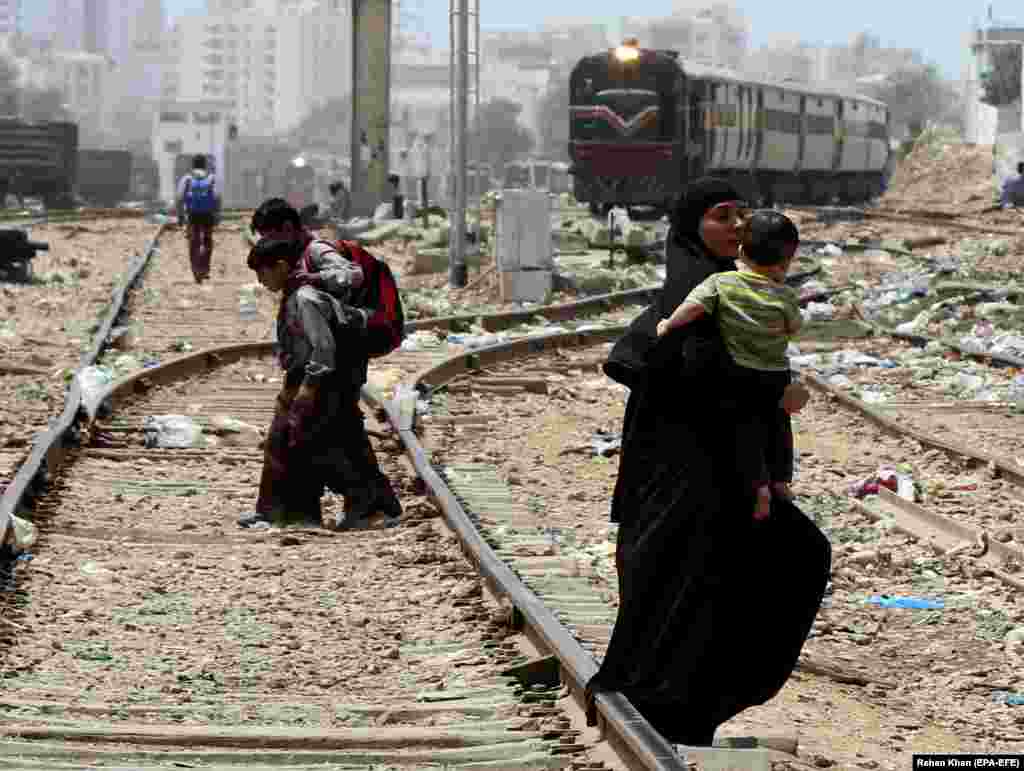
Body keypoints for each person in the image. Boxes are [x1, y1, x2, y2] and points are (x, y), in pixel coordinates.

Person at [585, 177, 830, 749]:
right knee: (696, 578)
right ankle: (666, 708)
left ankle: (676, 709)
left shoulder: (733, 289)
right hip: (689, 468)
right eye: (723, 216)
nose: (736, 225)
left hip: (725, 464)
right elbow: (679, 372)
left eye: (743, 216)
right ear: (692, 227)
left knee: (713, 578)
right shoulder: (696, 292)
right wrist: (773, 396)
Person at [241, 201, 403, 529]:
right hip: (318, 359)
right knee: (295, 433)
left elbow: (351, 276)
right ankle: (288, 512)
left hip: (333, 360)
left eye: (267, 235)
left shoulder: (315, 253)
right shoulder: (292, 263)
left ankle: (363, 507)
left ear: (286, 229)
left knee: (322, 435)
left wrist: (311, 279)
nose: (263, 243)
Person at [656, 210, 803, 519]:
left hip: (739, 372)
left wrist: (667, 325)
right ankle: (780, 481)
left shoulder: (721, 282)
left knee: (748, 430)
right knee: (778, 426)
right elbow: (794, 327)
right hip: (776, 374)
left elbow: (692, 308)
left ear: (740, 250)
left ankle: (760, 489)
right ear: (786, 261)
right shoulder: (785, 295)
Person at [176, 155, 221, 284]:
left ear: (193, 165)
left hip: (192, 214)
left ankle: (196, 270)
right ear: (205, 165)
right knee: (207, 240)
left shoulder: (187, 179)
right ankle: (205, 268)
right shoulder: (212, 178)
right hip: (207, 214)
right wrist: (217, 214)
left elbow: (179, 198)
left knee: (193, 241)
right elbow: (217, 197)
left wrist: (180, 215)